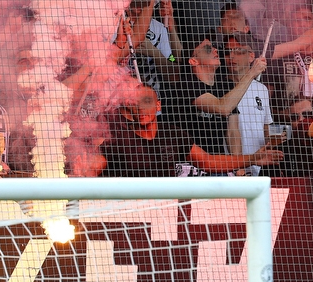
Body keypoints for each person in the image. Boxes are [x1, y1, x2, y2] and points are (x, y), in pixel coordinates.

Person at [101, 85, 282, 177]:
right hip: (127, 211)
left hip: (166, 210)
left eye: (146, 102)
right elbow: (95, 166)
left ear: (158, 105)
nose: (140, 108)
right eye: (134, 104)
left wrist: (253, 158)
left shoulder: (173, 134)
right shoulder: (118, 137)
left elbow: (207, 161)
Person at [222, 34, 276, 175]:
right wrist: (238, 167)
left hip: (258, 167)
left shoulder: (262, 89)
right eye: (228, 52)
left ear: (251, 56)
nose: (232, 56)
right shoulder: (219, 87)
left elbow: (266, 127)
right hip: (228, 168)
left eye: (238, 51)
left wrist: (276, 138)